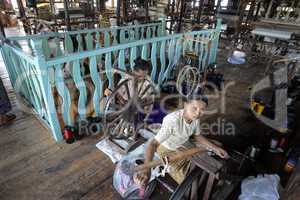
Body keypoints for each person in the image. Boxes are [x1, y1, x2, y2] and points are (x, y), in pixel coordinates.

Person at [135, 94, 229, 185]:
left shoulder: (195, 118)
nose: (198, 113)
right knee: (187, 178)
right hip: (167, 151)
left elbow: (197, 135)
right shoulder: (173, 121)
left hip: (183, 144)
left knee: (206, 160)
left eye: (202, 110)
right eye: (194, 108)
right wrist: (146, 168)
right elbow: (153, 144)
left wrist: (216, 149)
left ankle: (216, 175)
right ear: (185, 105)